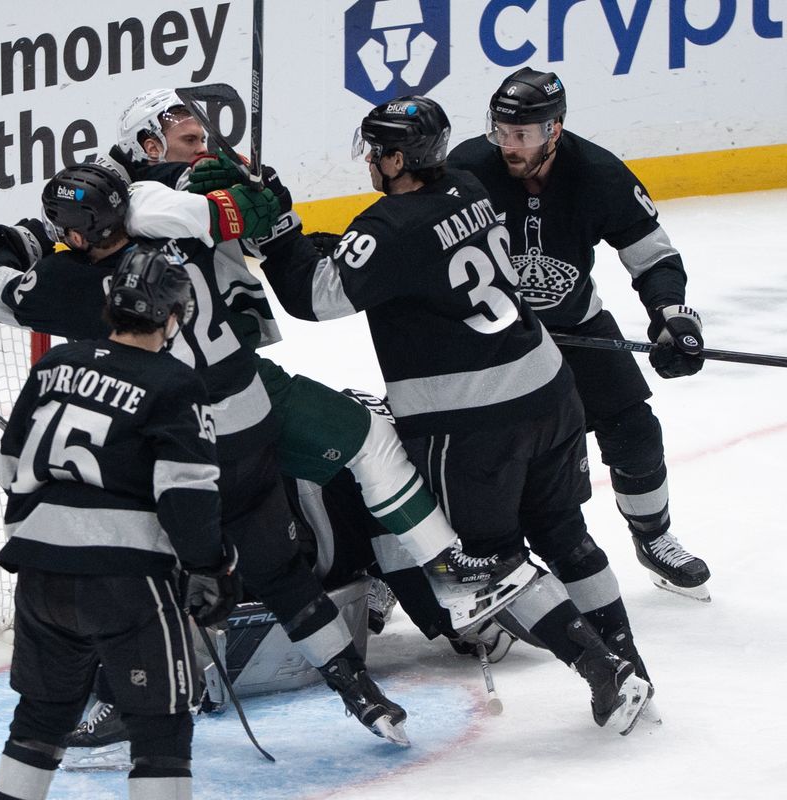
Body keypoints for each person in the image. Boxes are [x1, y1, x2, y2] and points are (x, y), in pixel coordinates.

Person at [0, 163, 410, 743]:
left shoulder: (71, 282)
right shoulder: (177, 240)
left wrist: (11, 248)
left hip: (185, 443)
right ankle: (360, 690)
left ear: (76, 231)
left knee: (143, 577)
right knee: (278, 571)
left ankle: (127, 701)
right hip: (252, 422)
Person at [254, 94, 654, 734]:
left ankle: (600, 666)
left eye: (375, 150)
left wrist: (276, 237)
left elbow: (315, 294)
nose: (370, 162)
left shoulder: (387, 228)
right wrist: (296, 235)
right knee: (564, 531)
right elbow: (374, 257)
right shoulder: (467, 186)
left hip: (473, 420)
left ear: (394, 157)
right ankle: (632, 664)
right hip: (549, 390)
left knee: (482, 563)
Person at [112, 88, 535, 629]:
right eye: (189, 140)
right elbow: (181, 208)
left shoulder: (179, 182)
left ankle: (429, 573)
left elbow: (238, 212)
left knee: (361, 444)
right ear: (149, 145)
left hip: (236, 380)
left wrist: (265, 201)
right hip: (185, 404)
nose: (204, 149)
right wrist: (238, 198)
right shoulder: (135, 202)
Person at [447, 67, 711, 601]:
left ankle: (653, 537)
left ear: (554, 129)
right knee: (470, 448)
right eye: (500, 131)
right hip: (491, 335)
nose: (507, 144)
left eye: (521, 134)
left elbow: (652, 255)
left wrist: (671, 314)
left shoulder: (598, 173)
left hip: (576, 322)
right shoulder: (467, 169)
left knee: (634, 427)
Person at [0, 245, 239, 800]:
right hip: (126, 583)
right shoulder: (175, 383)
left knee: (41, 715)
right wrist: (211, 567)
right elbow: (185, 492)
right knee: (161, 727)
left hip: (39, 575)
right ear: (173, 317)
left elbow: (9, 468)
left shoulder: (54, 364)